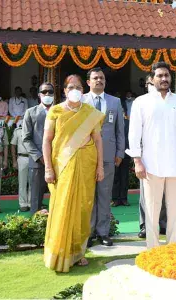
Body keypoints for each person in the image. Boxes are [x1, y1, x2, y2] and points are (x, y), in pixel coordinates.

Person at [126, 62, 176, 249]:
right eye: (160, 76)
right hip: (150, 166)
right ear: (151, 79)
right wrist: (137, 161)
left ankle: (173, 248)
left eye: (167, 75)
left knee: (174, 211)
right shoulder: (141, 102)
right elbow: (134, 134)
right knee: (151, 210)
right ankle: (153, 250)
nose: (164, 79)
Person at [42, 74, 104, 272]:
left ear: (83, 90)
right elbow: (46, 141)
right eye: (71, 87)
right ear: (65, 90)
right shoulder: (56, 111)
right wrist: (48, 168)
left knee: (83, 207)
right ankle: (59, 252)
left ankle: (79, 252)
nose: (75, 89)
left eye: (78, 86)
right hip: (63, 166)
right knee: (63, 206)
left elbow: (98, 140)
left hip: (87, 164)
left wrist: (100, 166)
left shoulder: (90, 112)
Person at [83, 67, 125, 247]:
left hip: (108, 155)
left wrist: (120, 152)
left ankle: (103, 233)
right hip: (85, 154)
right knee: (88, 196)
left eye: (101, 78)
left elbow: (120, 130)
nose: (99, 80)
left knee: (104, 195)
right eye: (95, 78)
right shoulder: (81, 101)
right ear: (88, 82)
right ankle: (89, 233)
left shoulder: (115, 102)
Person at [138, 74, 167, 239]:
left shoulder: (169, 103)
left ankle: (162, 223)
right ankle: (145, 225)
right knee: (145, 193)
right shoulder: (141, 103)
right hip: (146, 154)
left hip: (166, 153)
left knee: (164, 191)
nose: (151, 85)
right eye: (148, 83)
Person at [22, 82, 55, 213]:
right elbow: (26, 138)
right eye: (44, 92)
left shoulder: (61, 111)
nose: (47, 94)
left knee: (59, 197)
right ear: (39, 95)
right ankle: (35, 227)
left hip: (58, 160)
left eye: (50, 92)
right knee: (36, 198)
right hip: (37, 162)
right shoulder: (30, 112)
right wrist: (40, 157)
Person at [111, 91, 134, 207]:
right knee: (115, 176)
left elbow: (131, 137)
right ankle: (115, 199)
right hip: (114, 153)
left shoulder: (129, 123)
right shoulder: (112, 122)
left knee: (124, 177)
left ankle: (124, 199)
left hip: (125, 153)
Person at [11, 119, 31, 211]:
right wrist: (14, 161)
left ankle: (31, 203)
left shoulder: (33, 130)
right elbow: (13, 145)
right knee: (22, 182)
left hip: (33, 158)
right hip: (22, 157)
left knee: (32, 182)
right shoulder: (18, 131)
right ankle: (23, 204)